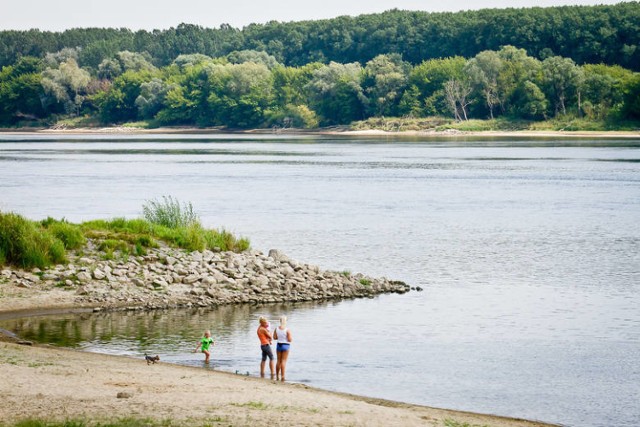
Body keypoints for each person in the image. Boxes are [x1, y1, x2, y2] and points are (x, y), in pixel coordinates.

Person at [273, 315, 292, 381]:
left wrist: (280, 337)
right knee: (283, 361)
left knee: (278, 361)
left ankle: (277, 375)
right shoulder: (287, 330)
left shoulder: (276, 328)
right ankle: (283, 376)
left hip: (279, 345)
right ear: (285, 321)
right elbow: (290, 340)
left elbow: (274, 337)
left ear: (280, 321)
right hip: (286, 345)